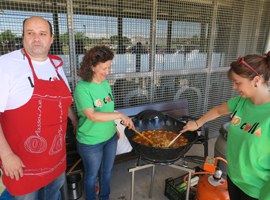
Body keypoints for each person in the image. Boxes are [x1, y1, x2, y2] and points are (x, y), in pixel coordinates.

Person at [0, 16, 77, 199]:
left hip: (55, 158)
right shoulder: (6, 65)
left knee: (52, 195)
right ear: (23, 37)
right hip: (23, 164)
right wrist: (6, 156)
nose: (36, 38)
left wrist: (74, 119)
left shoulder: (55, 65)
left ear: (51, 39)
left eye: (42, 33)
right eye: (30, 33)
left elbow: (63, 100)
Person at [180, 52, 270, 200]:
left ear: (256, 80)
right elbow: (217, 110)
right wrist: (197, 123)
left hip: (257, 190)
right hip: (233, 178)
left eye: (237, 82)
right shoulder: (241, 102)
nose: (234, 87)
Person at [74, 45, 134, 200]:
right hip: (91, 142)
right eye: (104, 68)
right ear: (92, 67)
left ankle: (104, 197)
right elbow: (92, 115)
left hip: (110, 138)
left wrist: (114, 129)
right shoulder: (82, 88)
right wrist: (120, 116)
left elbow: (108, 109)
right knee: (92, 175)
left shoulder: (106, 84)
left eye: (109, 67)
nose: (107, 72)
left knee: (106, 172)